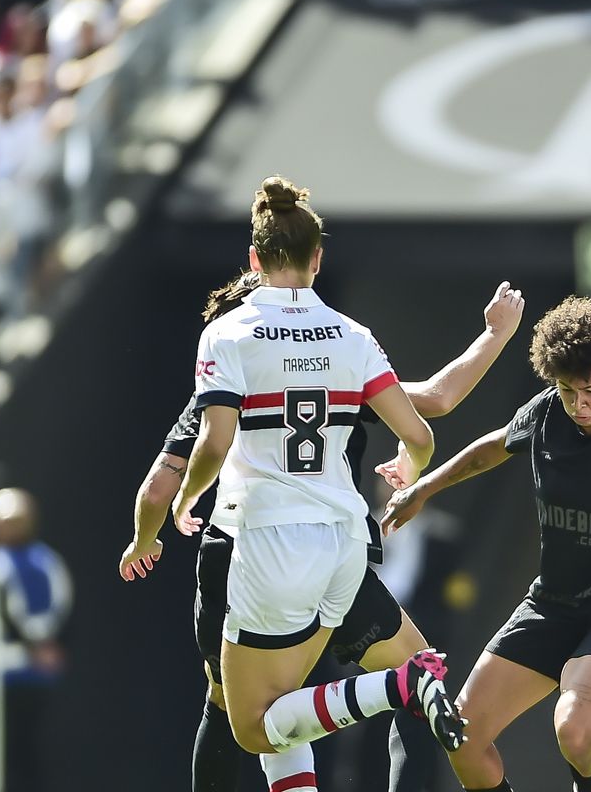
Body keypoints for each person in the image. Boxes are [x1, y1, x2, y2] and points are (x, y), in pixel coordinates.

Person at [120, 269, 525, 792]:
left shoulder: (224, 384)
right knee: (415, 678)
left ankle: (400, 687)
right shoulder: (337, 366)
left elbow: (157, 489)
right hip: (337, 550)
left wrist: (144, 538)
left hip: (251, 555)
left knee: (243, 715)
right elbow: (436, 399)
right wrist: (494, 336)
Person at [167, 177, 465, 792]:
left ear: (253, 260)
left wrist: (185, 494)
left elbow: (215, 441)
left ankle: (398, 685)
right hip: (344, 546)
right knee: (287, 704)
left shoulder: (228, 333)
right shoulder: (352, 336)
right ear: (318, 259)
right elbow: (422, 434)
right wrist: (407, 471)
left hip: (270, 543)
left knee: (249, 725)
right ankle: (403, 680)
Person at [381, 296, 591, 792]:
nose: (578, 405)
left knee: (575, 733)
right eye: (567, 391)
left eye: (590, 391)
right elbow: (492, 448)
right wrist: (422, 488)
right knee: (460, 738)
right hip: (551, 604)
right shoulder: (546, 413)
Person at [0, 488, 72, 792]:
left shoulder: (43, 562)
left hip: (25, 678)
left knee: (22, 755)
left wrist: (36, 644)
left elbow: (53, 612)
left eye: (14, 519)